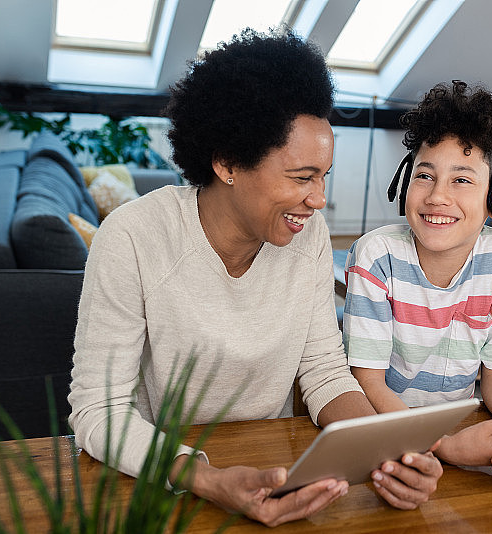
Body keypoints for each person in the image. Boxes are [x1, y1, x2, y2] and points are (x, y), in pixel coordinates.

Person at [68, 28, 444, 527]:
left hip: (274, 471)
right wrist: (205, 478)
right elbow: (99, 410)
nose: (318, 199)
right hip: (155, 483)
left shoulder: (306, 238)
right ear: (227, 162)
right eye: (301, 177)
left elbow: (324, 372)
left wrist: (385, 452)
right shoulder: (134, 238)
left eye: (324, 176)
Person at [342, 81, 492, 480]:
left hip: (462, 432)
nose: (437, 196)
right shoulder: (376, 256)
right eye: (425, 176)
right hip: (385, 432)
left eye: (461, 180)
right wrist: (442, 448)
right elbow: (367, 383)